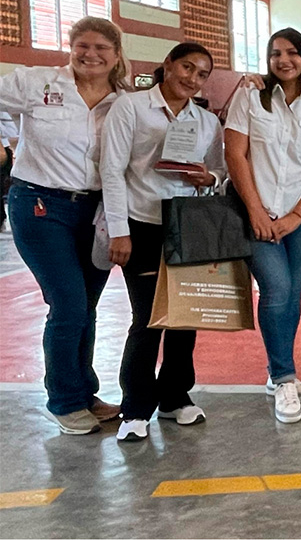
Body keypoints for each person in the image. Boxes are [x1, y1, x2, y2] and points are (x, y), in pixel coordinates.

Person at [0, 17, 130, 435]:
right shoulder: (36, 83)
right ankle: (64, 400)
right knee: (69, 303)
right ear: (70, 47)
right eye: (81, 46)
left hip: (96, 210)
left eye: (100, 48)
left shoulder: (123, 100)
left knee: (86, 308)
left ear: (115, 55)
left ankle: (83, 390)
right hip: (40, 204)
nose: (90, 55)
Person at [101, 42, 224, 441]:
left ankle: (174, 397)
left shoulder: (206, 122)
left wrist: (208, 179)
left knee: (185, 316)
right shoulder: (132, 107)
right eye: (186, 67)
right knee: (148, 317)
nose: (191, 78)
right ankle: (136, 407)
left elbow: (220, 173)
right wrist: (119, 229)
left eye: (201, 73)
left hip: (188, 223)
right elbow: (112, 169)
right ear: (167, 65)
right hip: (142, 222)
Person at [225, 28, 301, 423]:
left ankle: (279, 373)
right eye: (275, 54)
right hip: (253, 213)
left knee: (292, 297)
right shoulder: (250, 98)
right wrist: (256, 210)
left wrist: (297, 215)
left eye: (291, 53)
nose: (283, 60)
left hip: (300, 216)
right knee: (276, 289)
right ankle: (284, 376)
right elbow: (235, 154)